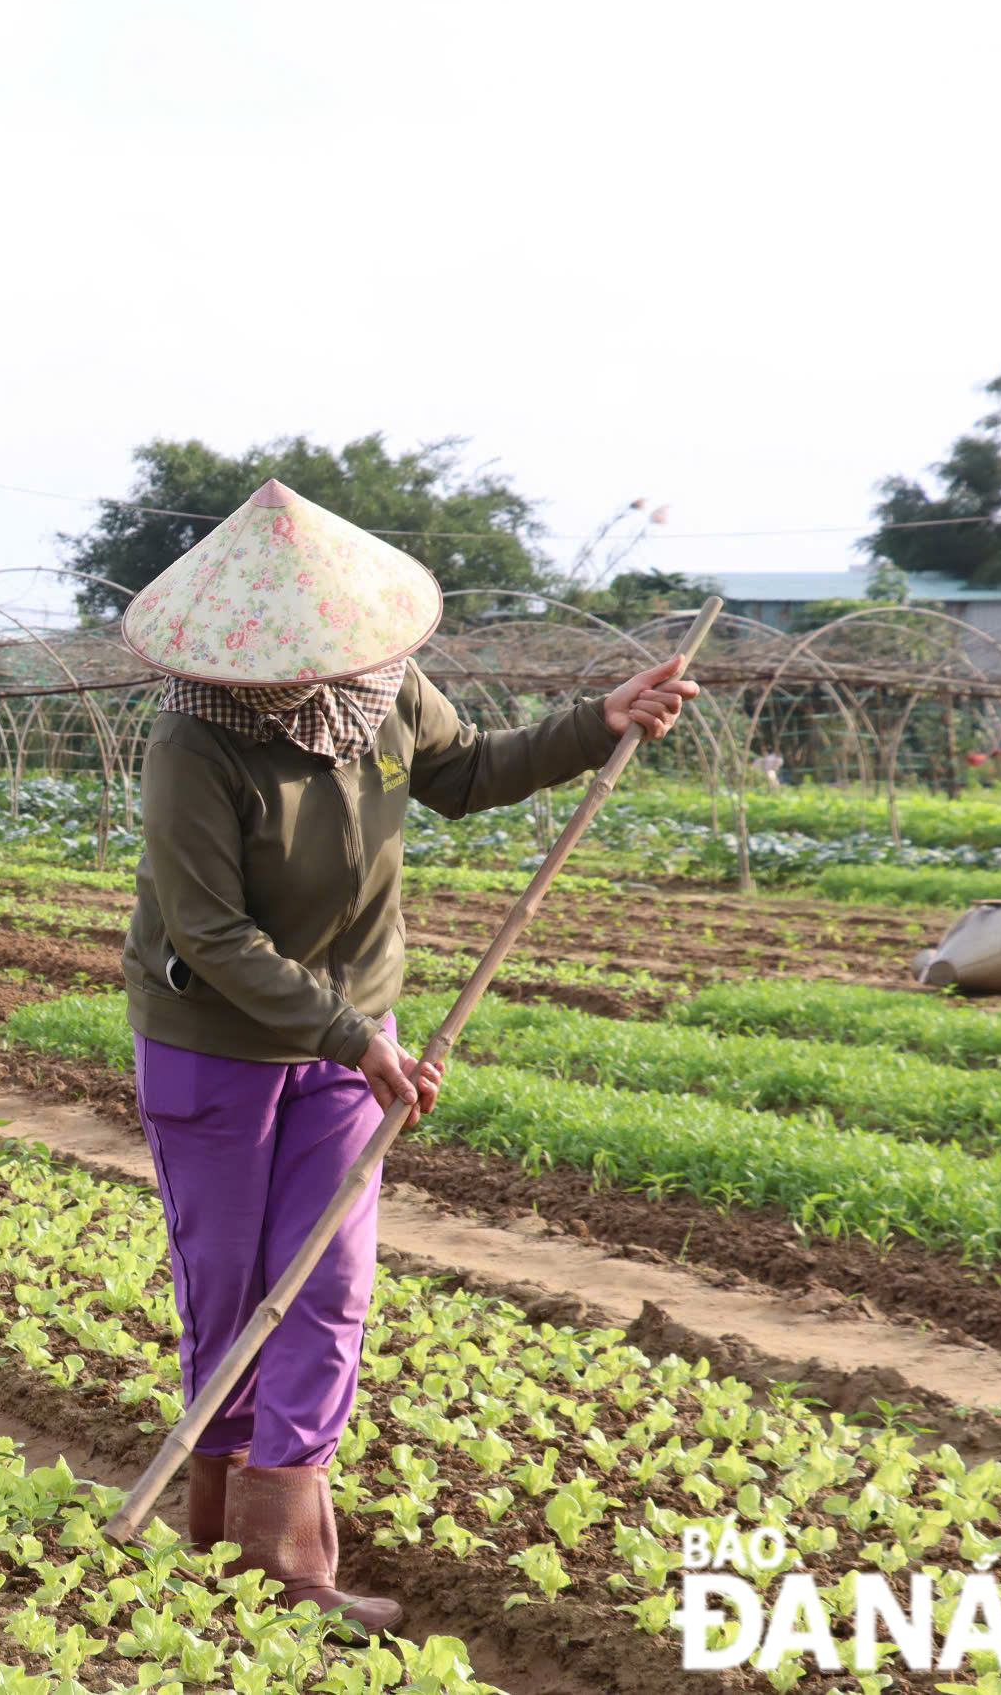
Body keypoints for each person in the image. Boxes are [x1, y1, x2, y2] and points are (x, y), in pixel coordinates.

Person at [119, 480, 696, 1632]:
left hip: (352, 1033)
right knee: (229, 1284)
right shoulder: (196, 737)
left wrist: (602, 721)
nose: (308, 671)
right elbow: (212, 934)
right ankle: (214, 1529)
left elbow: (470, 773)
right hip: (217, 1041)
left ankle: (289, 1554)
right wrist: (344, 1036)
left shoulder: (381, 691)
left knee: (326, 1285)